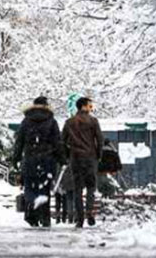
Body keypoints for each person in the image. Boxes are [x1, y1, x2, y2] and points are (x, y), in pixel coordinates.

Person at [10, 96, 63, 228]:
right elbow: (57, 143)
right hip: (47, 160)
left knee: (30, 187)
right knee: (44, 189)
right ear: (46, 106)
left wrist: (15, 159)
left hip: (30, 160)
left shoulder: (26, 121)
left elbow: (19, 141)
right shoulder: (52, 121)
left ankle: (31, 216)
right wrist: (62, 159)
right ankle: (45, 219)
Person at [61, 96, 103, 227]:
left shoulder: (69, 122)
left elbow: (62, 141)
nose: (91, 108)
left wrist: (68, 156)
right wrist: (98, 155)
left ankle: (80, 219)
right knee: (91, 187)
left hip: (76, 158)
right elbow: (100, 140)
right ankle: (89, 212)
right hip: (90, 158)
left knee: (77, 189)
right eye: (90, 106)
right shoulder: (93, 121)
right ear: (83, 106)